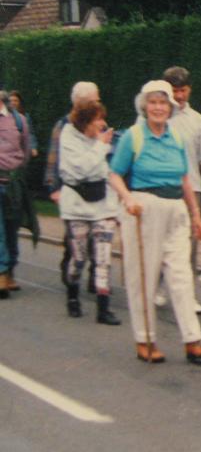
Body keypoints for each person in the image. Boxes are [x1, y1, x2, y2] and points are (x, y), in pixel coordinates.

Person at [108, 80, 201, 364]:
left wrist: (195, 215)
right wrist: (127, 198)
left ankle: (193, 341)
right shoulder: (134, 136)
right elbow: (115, 174)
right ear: (144, 106)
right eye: (153, 102)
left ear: (171, 107)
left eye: (163, 103)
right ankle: (145, 340)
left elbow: (185, 179)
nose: (158, 108)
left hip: (175, 208)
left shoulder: (177, 137)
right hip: (144, 208)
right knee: (142, 276)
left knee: (181, 276)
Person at [160, 66, 201, 314]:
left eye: (183, 90)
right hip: (160, 188)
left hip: (191, 190)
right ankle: (159, 287)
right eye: (174, 91)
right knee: (160, 241)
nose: (179, 96)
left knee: (190, 244)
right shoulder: (155, 115)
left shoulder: (197, 120)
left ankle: (187, 296)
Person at [58, 100, 120, 324]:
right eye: (98, 120)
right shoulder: (68, 137)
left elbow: (105, 171)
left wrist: (116, 211)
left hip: (102, 205)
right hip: (76, 207)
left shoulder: (99, 139)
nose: (103, 124)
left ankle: (103, 309)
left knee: (103, 259)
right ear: (85, 122)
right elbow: (81, 169)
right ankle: (72, 294)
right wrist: (101, 147)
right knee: (79, 259)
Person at [45, 82, 101, 294]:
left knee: (96, 234)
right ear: (82, 102)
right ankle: (69, 267)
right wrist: (53, 187)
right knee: (74, 236)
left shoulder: (97, 122)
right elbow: (54, 158)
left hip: (95, 190)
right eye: (95, 100)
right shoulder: (64, 125)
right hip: (70, 190)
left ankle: (96, 278)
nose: (98, 103)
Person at [0, 90, 31, 298]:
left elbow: (26, 150)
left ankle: (9, 271)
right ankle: (1, 273)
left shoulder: (19, 121)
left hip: (13, 183)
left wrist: (16, 171)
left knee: (12, 228)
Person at [8, 91, 37, 158]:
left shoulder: (25, 116)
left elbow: (30, 134)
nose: (13, 103)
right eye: (10, 101)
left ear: (19, 102)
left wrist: (33, 147)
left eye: (16, 100)